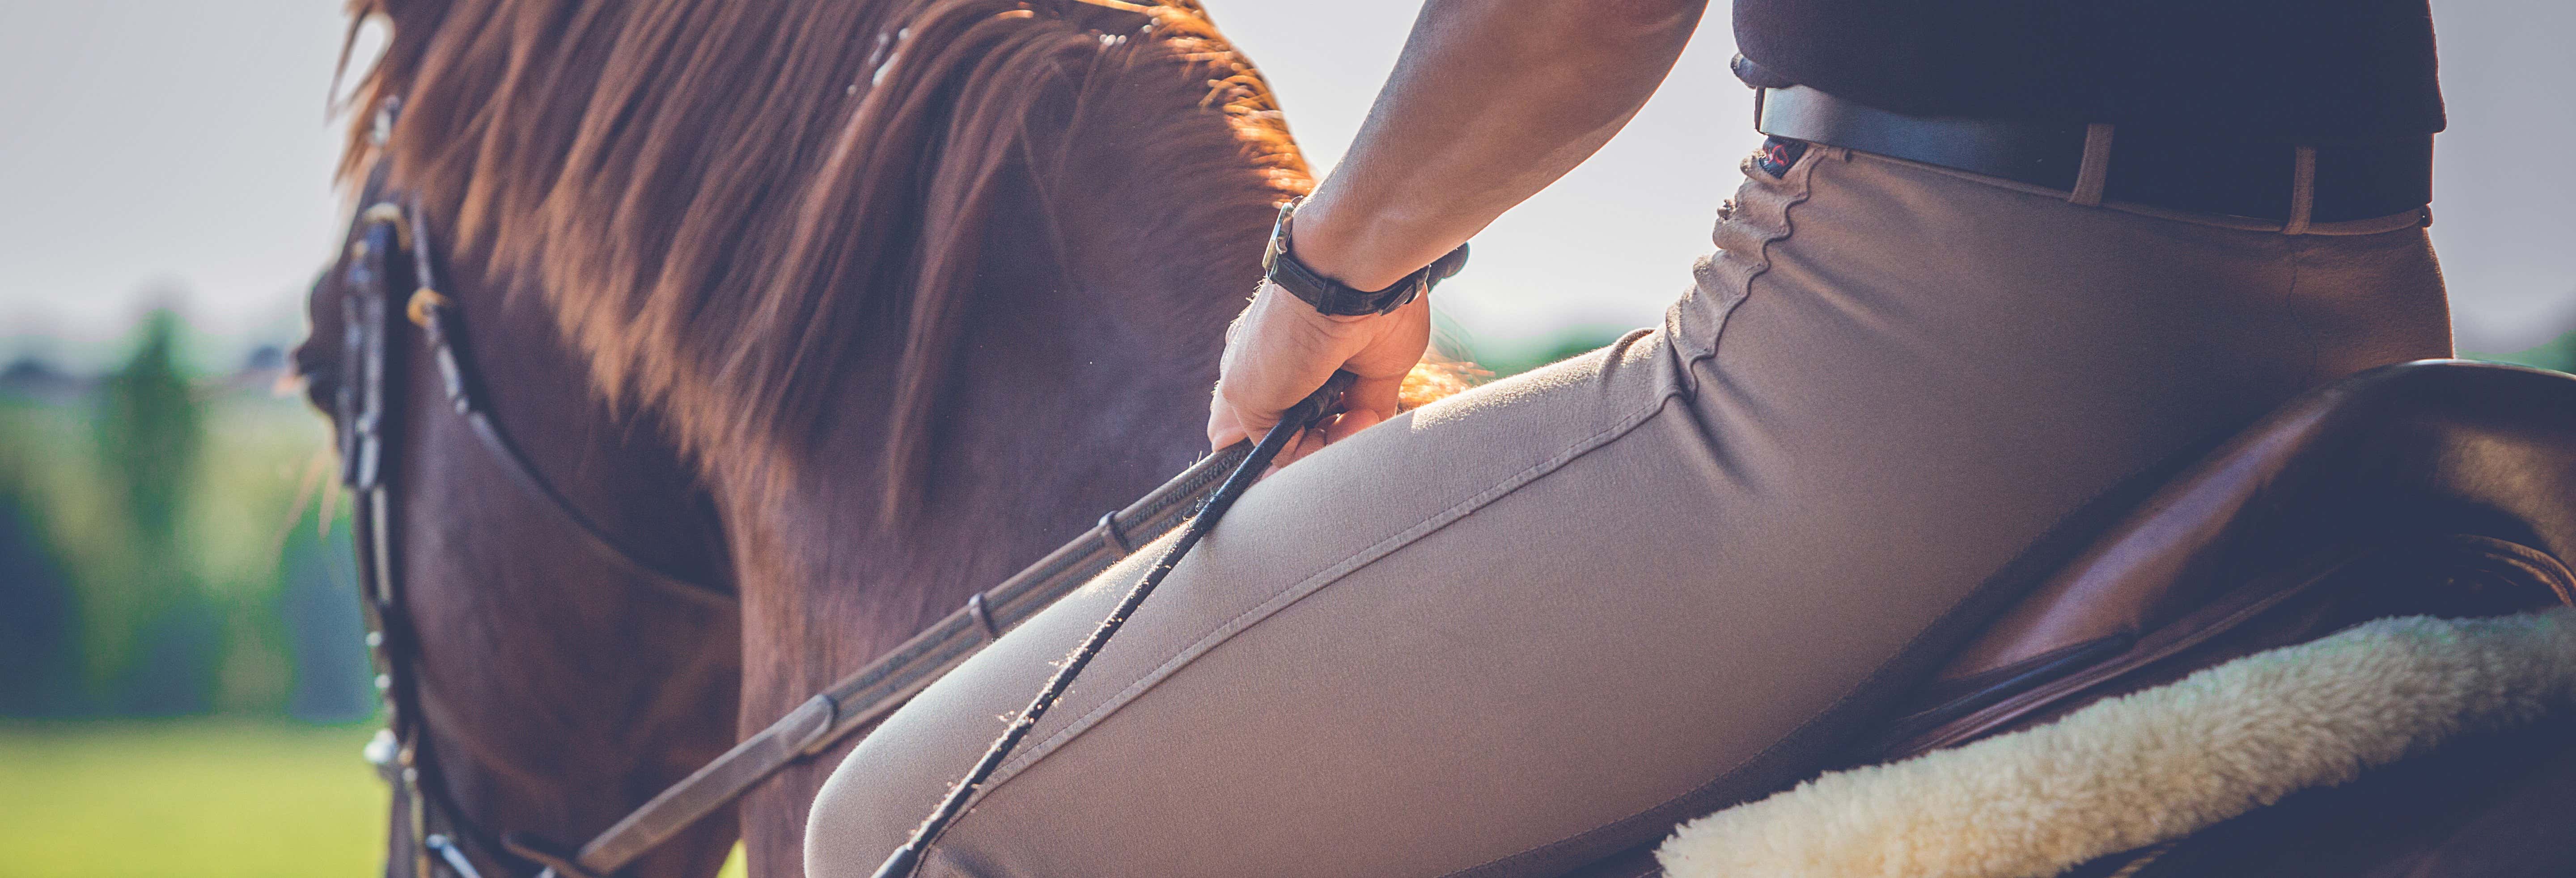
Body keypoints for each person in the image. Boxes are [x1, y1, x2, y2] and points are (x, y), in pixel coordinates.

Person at [806, 0, 2451, 873]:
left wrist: (1332, 275)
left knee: (914, 819)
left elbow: (1574, 17)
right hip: (2375, 330)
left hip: (1940, 366)